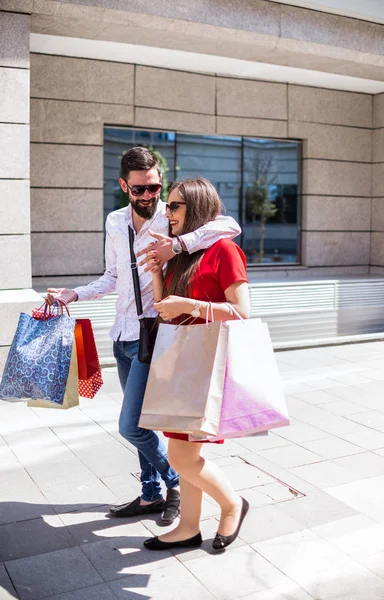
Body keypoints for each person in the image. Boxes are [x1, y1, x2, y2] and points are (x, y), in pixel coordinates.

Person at [46, 147, 241, 524]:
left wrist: (177, 244)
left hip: (157, 336)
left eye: (155, 188)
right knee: (141, 422)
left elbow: (229, 226)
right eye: (140, 190)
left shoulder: (174, 222)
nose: (150, 197)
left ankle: (176, 481)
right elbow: (112, 276)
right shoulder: (115, 222)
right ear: (124, 186)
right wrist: (75, 293)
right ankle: (150, 492)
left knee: (131, 425)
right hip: (122, 333)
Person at [143, 177, 250, 552]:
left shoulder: (224, 250)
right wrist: (157, 272)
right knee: (186, 449)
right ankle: (188, 526)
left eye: (174, 206)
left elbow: (241, 312)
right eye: (167, 206)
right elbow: (163, 311)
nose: (167, 213)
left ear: (197, 209)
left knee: (182, 457)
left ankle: (232, 503)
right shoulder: (181, 254)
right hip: (177, 362)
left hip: (205, 364)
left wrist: (189, 305)